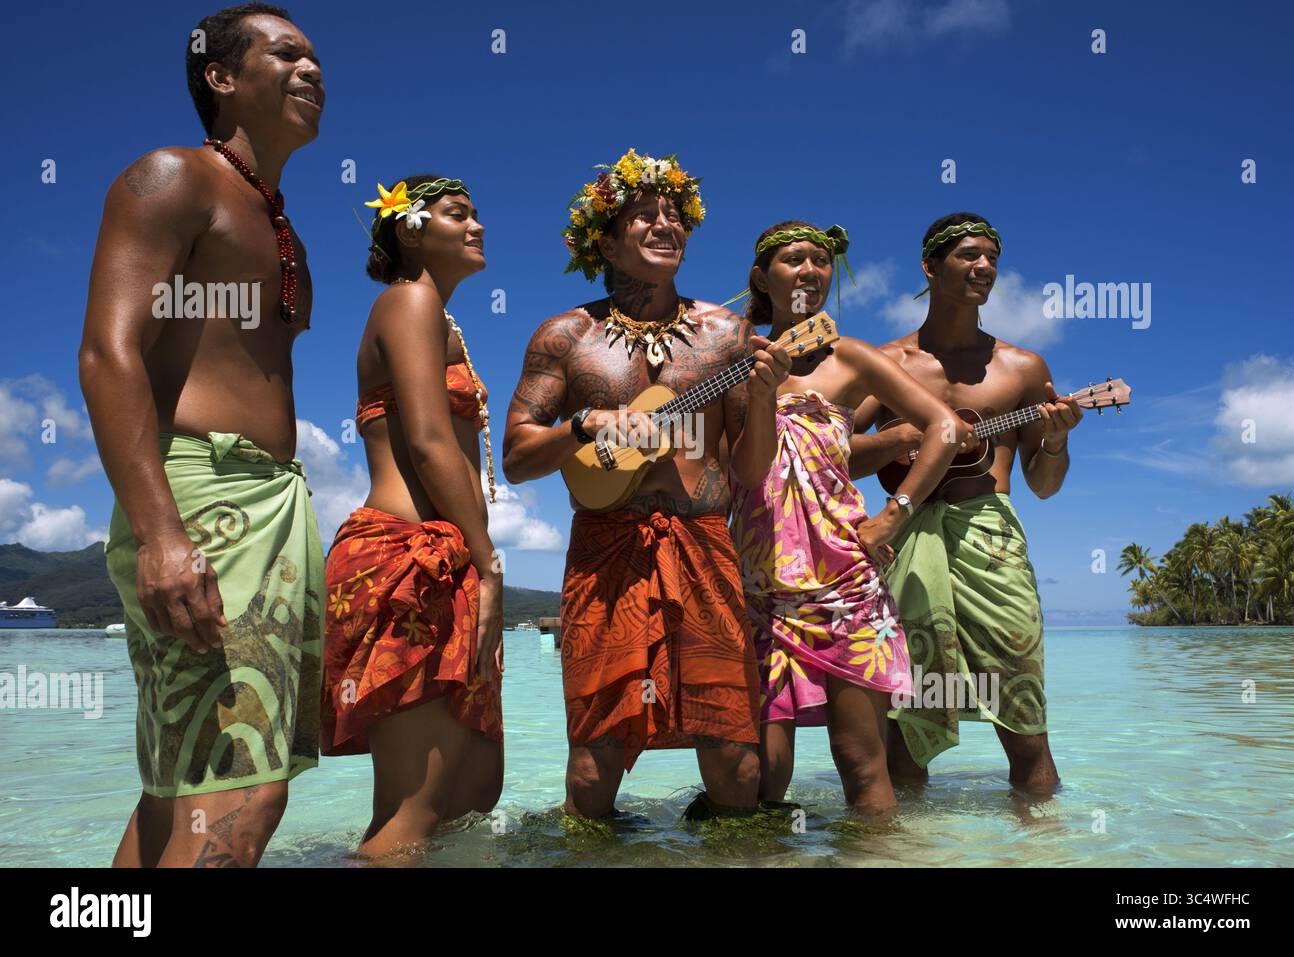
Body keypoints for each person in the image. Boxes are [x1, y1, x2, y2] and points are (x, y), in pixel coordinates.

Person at [79, 3, 325, 867]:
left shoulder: (279, 220)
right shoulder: (172, 177)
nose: (311, 71)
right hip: (202, 499)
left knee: (183, 789)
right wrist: (159, 532)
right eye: (286, 54)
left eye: (315, 60)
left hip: (265, 506)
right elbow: (109, 354)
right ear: (220, 78)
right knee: (241, 790)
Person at [502, 149, 791, 819]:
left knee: (734, 756)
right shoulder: (567, 336)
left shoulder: (727, 335)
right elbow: (516, 457)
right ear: (603, 238)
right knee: (594, 759)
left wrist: (767, 395)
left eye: (676, 215)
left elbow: (751, 470)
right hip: (606, 552)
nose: (667, 225)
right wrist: (580, 427)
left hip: (704, 544)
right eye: (644, 215)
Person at [729, 221, 970, 813]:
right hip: (762, 583)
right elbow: (749, 472)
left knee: (861, 762)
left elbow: (945, 427)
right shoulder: (738, 361)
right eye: (791, 260)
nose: (809, 270)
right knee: (761, 773)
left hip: (847, 580)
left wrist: (895, 515)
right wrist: (760, 396)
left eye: (819, 260)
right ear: (763, 277)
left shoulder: (852, 357)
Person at [849, 212, 1081, 796]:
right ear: (929, 266)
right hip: (903, 534)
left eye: (991, 258)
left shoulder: (1022, 368)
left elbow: (1045, 485)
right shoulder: (887, 364)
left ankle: (1044, 850)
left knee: (1024, 711)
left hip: (990, 537)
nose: (983, 267)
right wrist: (902, 438)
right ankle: (910, 854)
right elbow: (836, 456)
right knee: (906, 715)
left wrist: (1055, 436)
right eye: (967, 256)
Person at [319, 175, 504, 857]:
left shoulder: (439, 317)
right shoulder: (409, 300)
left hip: (442, 558)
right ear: (409, 227)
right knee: (414, 813)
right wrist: (490, 562)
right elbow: (427, 441)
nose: (477, 224)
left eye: (477, 212)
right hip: (406, 559)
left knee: (468, 797)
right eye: (458, 213)